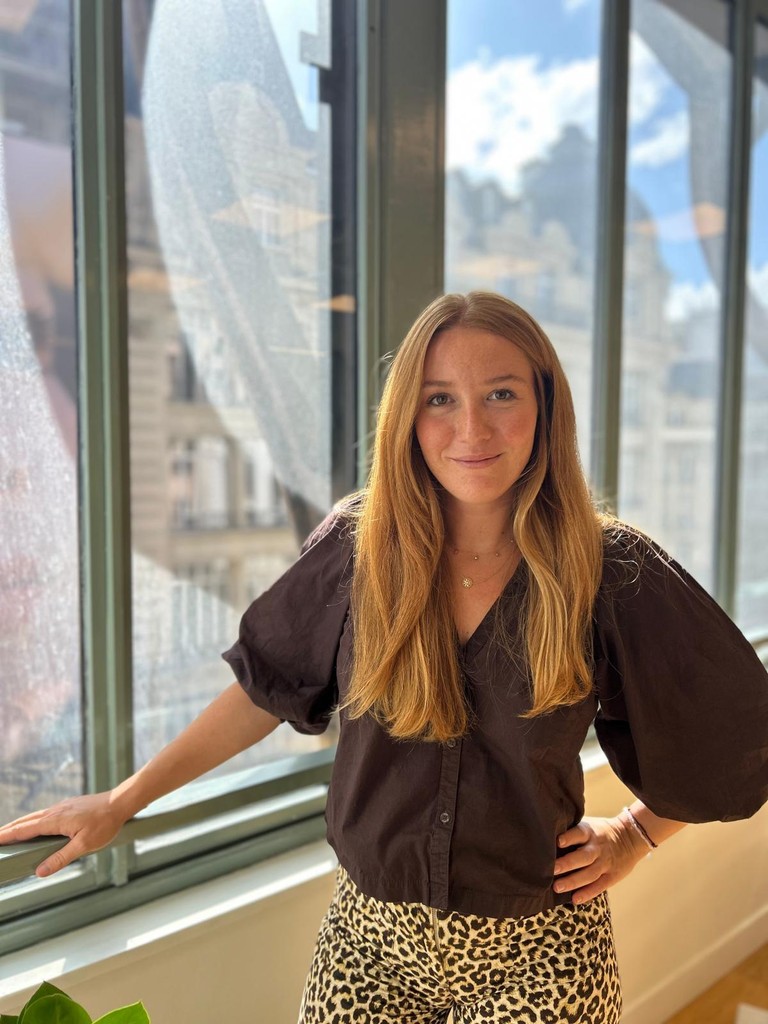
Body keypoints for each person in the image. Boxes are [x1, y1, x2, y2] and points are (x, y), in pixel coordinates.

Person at [1, 291, 766, 1023]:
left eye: (501, 394)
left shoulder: (610, 568)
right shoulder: (356, 548)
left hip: (538, 950)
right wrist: (122, 802)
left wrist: (634, 833)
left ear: (544, 406)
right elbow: (263, 692)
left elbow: (737, 732)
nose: (471, 428)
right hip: (369, 947)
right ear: (408, 415)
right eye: (440, 399)